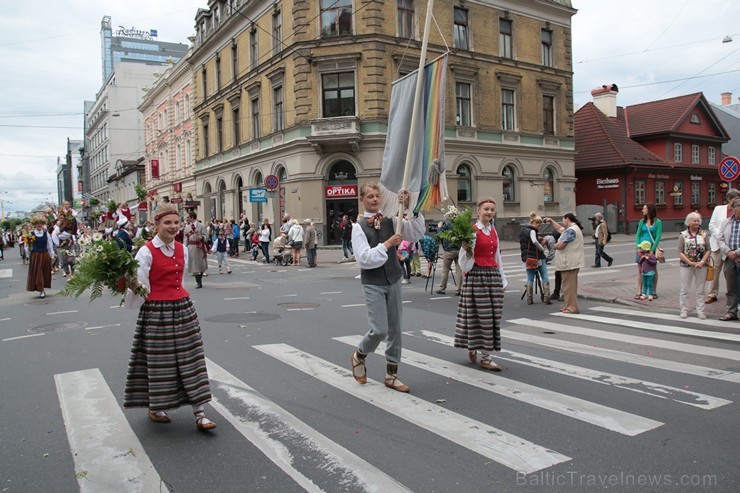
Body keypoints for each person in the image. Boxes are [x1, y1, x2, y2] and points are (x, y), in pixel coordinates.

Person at [124, 204, 217, 431]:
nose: (173, 227)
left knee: (191, 358)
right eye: (167, 223)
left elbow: (180, 280)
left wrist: (178, 298)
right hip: (157, 313)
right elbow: (141, 286)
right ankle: (156, 407)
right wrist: (133, 286)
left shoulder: (182, 248)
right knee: (160, 362)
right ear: (156, 225)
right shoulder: (146, 251)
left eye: (176, 222)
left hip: (182, 308)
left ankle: (200, 413)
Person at [349, 184, 424, 393]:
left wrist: (411, 208)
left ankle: (392, 375)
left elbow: (415, 234)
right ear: (362, 200)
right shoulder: (358, 227)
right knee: (379, 329)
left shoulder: (392, 219)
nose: (374, 199)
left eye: (377, 196)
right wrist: (387, 244)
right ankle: (360, 354)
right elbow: (364, 259)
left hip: (393, 278)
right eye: (370, 197)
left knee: (395, 329)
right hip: (373, 282)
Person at [456, 197, 508, 371]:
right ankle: (484, 356)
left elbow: (497, 257)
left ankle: (477, 348)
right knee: (480, 317)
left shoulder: (493, 231)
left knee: (492, 317)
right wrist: (468, 252)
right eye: (486, 209)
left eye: (492, 210)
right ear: (478, 211)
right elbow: (463, 263)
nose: (489, 212)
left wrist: (503, 278)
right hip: (477, 276)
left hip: (492, 276)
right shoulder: (472, 232)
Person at [545, 213, 585, 314]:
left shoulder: (571, 230)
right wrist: (551, 221)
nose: (562, 222)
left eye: (563, 219)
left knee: (569, 287)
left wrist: (554, 245)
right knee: (568, 286)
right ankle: (568, 306)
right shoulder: (572, 228)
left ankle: (572, 308)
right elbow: (559, 229)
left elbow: (561, 245)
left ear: (567, 219)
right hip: (571, 263)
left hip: (569, 263)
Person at [706, 189, 739, 304]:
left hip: (731, 248)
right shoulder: (719, 209)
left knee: (730, 272)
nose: (737, 201)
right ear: (730, 199)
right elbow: (712, 225)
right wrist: (719, 236)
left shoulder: (738, 210)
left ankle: (732, 293)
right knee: (714, 270)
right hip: (717, 246)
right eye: (736, 198)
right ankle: (712, 293)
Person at [677, 212, 710, 319]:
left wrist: (702, 262)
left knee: (701, 289)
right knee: (685, 289)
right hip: (686, 265)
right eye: (694, 220)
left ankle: (700, 311)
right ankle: (684, 310)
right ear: (689, 222)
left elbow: (708, 250)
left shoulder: (704, 235)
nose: (696, 222)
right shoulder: (683, 235)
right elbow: (680, 252)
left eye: (698, 220)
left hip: (701, 265)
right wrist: (689, 262)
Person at [716, 196, 740, 321]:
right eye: (735, 209)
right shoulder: (727, 222)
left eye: (736, 209)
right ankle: (731, 311)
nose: (734, 211)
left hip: (738, 256)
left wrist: (737, 253)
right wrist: (728, 252)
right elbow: (719, 239)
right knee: (731, 287)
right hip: (729, 258)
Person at [519, 212, 551, 304]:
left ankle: (529, 298)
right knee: (544, 276)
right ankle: (547, 297)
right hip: (537, 257)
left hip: (527, 258)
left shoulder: (523, 231)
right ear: (533, 222)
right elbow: (534, 241)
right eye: (538, 223)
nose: (539, 225)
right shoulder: (532, 230)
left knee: (530, 278)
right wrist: (541, 248)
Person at [634, 204, 663, 299]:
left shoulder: (658, 222)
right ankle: (639, 291)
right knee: (640, 270)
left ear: (650, 210)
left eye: (644, 208)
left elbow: (658, 237)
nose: (642, 210)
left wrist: (652, 250)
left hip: (651, 248)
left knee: (652, 269)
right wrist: (638, 247)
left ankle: (653, 291)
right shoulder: (642, 222)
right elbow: (638, 235)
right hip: (641, 248)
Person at [26, 217, 54, 298]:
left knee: (44, 272)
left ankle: (42, 288)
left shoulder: (46, 234)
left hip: (45, 254)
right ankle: (41, 290)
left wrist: (51, 255)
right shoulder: (31, 235)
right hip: (36, 255)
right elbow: (28, 246)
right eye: (37, 224)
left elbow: (50, 245)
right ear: (34, 225)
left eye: (40, 224)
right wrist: (29, 254)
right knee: (38, 272)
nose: (39, 225)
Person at [436, 215, 462, 295]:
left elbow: (440, 234)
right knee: (459, 270)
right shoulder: (459, 224)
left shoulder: (447, 224)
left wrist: (439, 227)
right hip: (458, 250)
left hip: (449, 250)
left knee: (445, 270)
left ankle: (442, 288)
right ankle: (458, 289)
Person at [184, 211, 209, 288]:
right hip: (191, 247)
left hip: (200, 247)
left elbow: (206, 236)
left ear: (192, 217)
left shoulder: (201, 226)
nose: (186, 219)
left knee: (201, 265)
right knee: (194, 266)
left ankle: (200, 277)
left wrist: (202, 238)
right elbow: (185, 239)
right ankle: (198, 282)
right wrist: (185, 248)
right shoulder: (187, 227)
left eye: (188, 217)